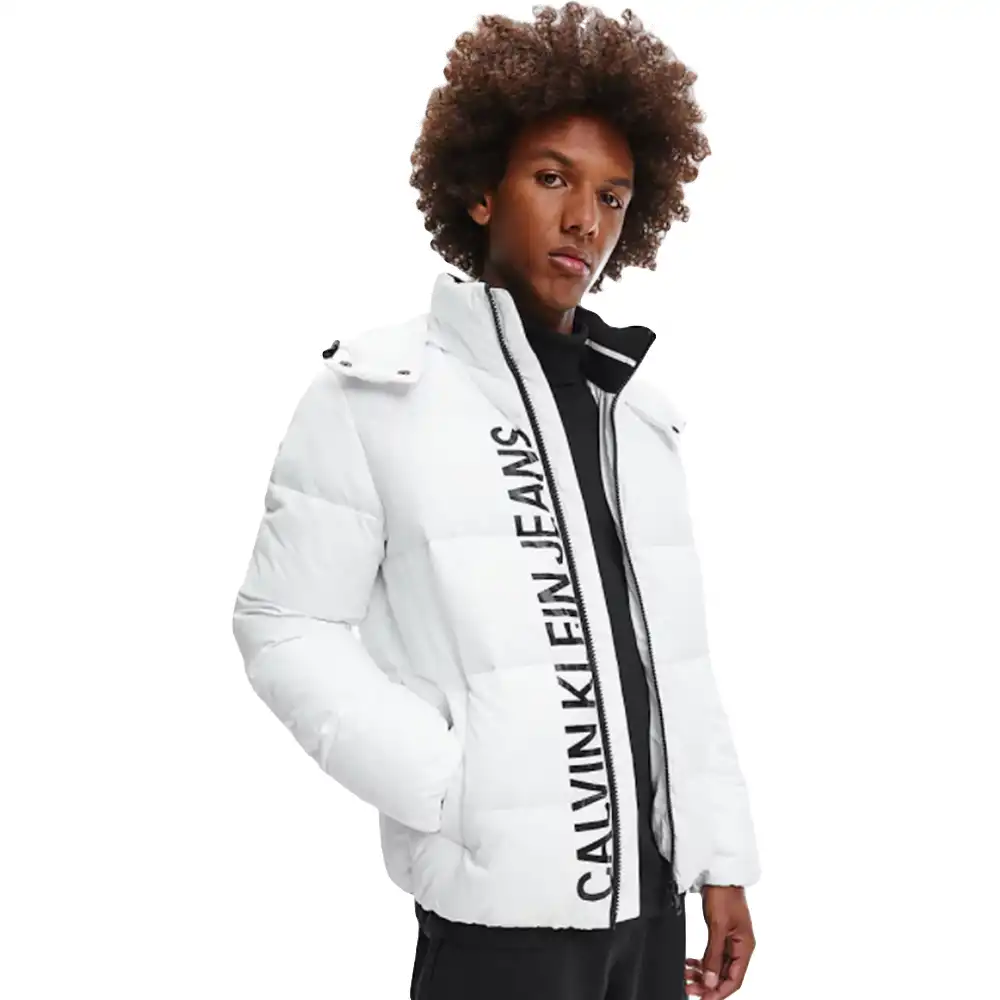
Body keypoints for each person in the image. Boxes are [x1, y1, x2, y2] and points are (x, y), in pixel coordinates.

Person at [231, 4, 760, 998]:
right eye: (552, 178)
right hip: (499, 927)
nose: (584, 220)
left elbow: (676, 667)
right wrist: (444, 784)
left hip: (652, 911)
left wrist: (718, 859)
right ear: (480, 190)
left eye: (612, 195)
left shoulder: (635, 416)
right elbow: (281, 621)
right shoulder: (374, 395)